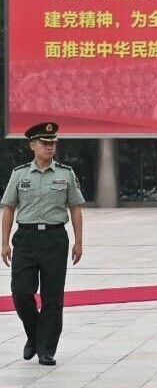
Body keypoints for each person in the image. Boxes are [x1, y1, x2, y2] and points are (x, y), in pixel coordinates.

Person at [1, 122, 85, 366]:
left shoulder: (66, 173)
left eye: (52, 143)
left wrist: (79, 241)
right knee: (21, 292)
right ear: (32, 145)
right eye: (44, 143)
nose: (49, 147)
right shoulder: (19, 174)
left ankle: (46, 349)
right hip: (25, 239)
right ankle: (34, 334)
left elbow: (76, 209)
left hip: (55, 239)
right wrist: (4, 243)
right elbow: (8, 209)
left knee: (52, 298)